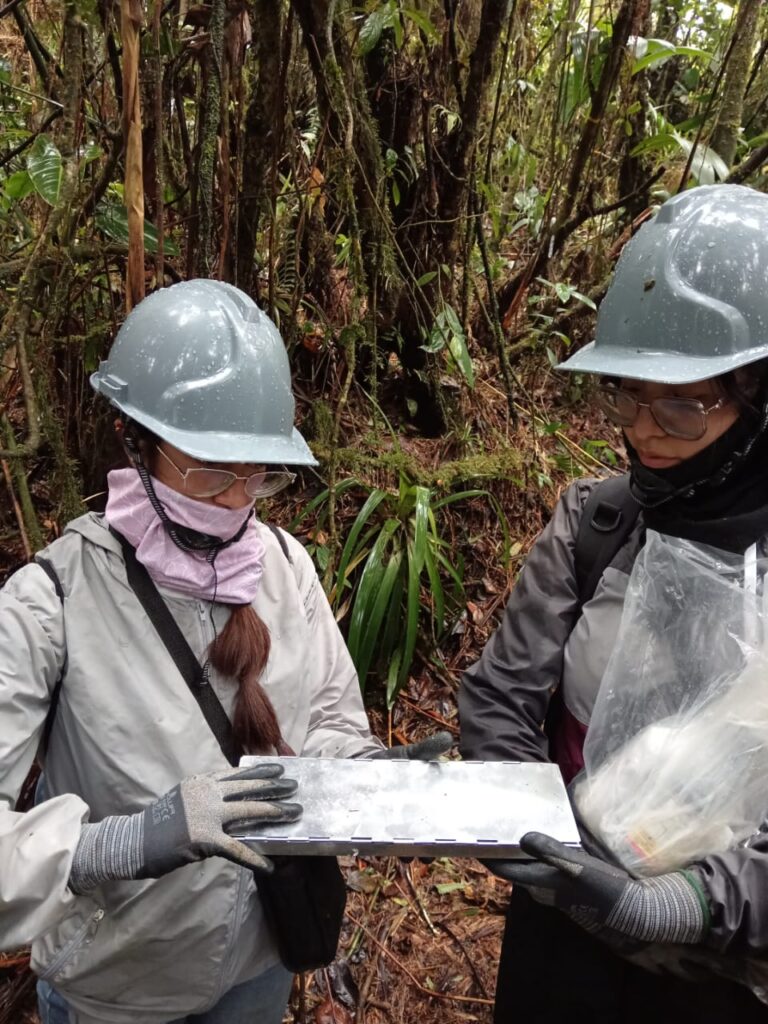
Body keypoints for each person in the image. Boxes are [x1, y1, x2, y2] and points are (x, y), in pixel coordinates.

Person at [0, 279, 448, 1024]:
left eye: (258, 472)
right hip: (119, 986)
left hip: (258, 962)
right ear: (135, 441)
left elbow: (330, 721)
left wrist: (372, 781)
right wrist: (118, 846)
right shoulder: (52, 598)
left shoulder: (285, 565)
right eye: (210, 467)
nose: (237, 497)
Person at [458, 184, 768, 1022]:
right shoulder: (598, 523)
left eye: (682, 402)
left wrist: (672, 905)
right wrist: (536, 840)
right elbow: (500, 696)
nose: (642, 428)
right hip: (560, 937)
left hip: (719, 970)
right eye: (625, 394)